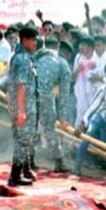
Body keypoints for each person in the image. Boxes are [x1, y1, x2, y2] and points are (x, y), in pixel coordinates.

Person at [34, 37, 71, 173]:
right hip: (45, 97)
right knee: (50, 129)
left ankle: (29, 161)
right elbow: (63, 96)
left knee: (30, 127)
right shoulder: (63, 64)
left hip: (29, 94)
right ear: (67, 55)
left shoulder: (39, 54)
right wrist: (62, 119)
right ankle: (59, 163)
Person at [7, 26, 38, 187]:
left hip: (19, 105)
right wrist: (21, 112)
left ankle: (25, 170)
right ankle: (15, 175)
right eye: (33, 39)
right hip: (23, 105)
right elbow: (21, 86)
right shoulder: (24, 59)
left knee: (25, 138)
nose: (35, 43)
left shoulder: (19, 57)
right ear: (25, 40)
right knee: (22, 140)